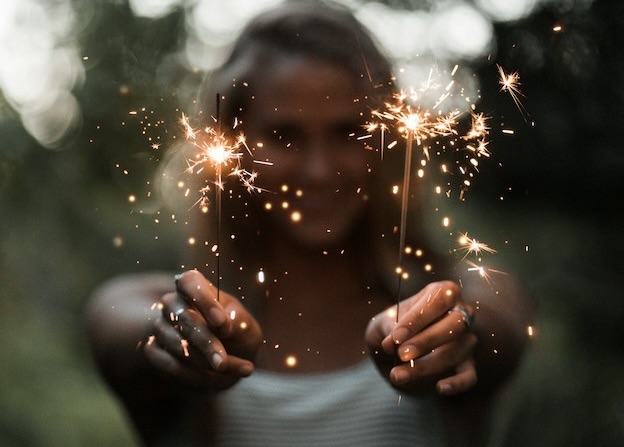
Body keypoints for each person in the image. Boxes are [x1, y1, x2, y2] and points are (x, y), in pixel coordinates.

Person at [87, 1, 531, 446]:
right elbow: (118, 327)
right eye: (284, 136)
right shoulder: (175, 314)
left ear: (387, 140)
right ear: (231, 144)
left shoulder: (457, 295)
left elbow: (498, 325)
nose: (319, 170)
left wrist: (450, 331)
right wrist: (176, 337)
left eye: (347, 132)